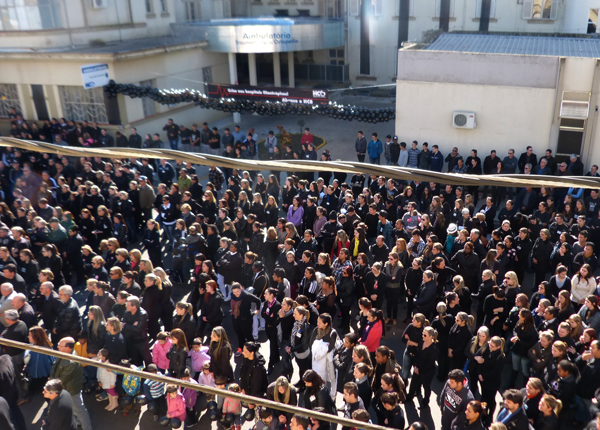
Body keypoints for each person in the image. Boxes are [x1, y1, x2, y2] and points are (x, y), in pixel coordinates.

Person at [49, 337, 93, 430]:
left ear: (68, 348)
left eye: (60, 345)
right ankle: (79, 423)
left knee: (80, 410)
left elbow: (62, 380)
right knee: (76, 410)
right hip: (68, 389)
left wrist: (51, 385)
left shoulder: (71, 362)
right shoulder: (64, 354)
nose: (57, 346)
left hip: (71, 391)